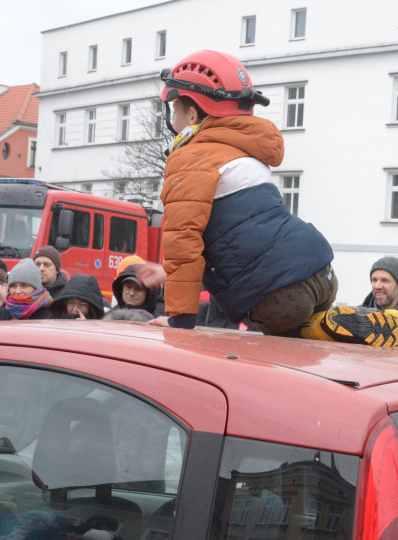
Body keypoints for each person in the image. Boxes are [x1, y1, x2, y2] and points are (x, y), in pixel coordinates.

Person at [145, 51, 346, 341]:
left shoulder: (191, 157)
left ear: (192, 114)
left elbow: (184, 241)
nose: (173, 117)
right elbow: (237, 235)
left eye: (175, 108)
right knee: (316, 347)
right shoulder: (244, 149)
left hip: (276, 292)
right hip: (319, 268)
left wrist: (180, 319)